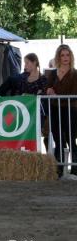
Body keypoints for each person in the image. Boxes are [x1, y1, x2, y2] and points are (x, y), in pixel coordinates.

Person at [46, 45, 77, 176]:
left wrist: (56, 95)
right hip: (54, 109)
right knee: (58, 139)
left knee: (71, 139)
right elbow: (47, 87)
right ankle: (58, 169)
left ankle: (75, 168)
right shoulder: (53, 73)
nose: (65, 58)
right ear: (58, 57)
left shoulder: (75, 73)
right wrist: (49, 91)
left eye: (67, 55)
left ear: (71, 57)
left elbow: (73, 93)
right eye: (62, 55)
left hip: (70, 110)